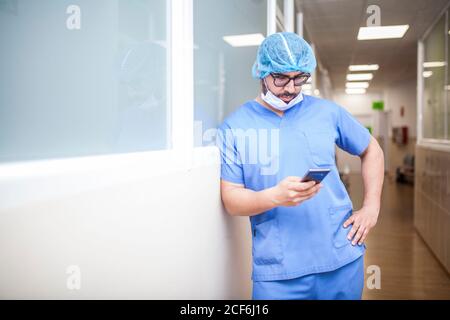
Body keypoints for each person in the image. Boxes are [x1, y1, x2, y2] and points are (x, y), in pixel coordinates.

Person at [216, 32, 384, 300]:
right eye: (280, 78)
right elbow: (232, 199)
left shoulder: (328, 113)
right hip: (280, 273)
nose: (291, 88)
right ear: (262, 72)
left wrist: (372, 206)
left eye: (299, 78)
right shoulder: (235, 127)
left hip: (341, 257)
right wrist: (276, 196)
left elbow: (371, 149)